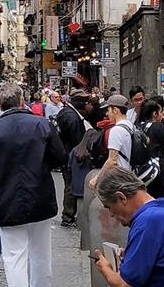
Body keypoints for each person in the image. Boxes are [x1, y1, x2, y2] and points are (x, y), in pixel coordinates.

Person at [0, 83, 68, 287]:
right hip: (40, 194)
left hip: (5, 197)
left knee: (14, 256)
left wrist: (0, 174)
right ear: (22, 101)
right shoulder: (42, 125)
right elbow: (60, 156)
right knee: (41, 253)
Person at [94, 166, 164, 287]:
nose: (110, 214)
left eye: (109, 207)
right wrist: (132, 254)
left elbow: (124, 284)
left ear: (122, 197)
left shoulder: (147, 222)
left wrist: (105, 268)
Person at [56, 88, 93, 227]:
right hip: (70, 155)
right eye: (85, 102)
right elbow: (76, 140)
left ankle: (69, 215)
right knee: (71, 185)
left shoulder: (67, 113)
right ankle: (68, 216)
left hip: (67, 154)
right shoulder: (71, 117)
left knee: (70, 184)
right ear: (79, 103)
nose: (87, 105)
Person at [88, 94, 133, 190]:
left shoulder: (116, 130)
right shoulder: (131, 126)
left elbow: (112, 160)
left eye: (108, 110)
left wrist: (96, 178)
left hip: (119, 179)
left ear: (115, 110)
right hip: (129, 176)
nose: (107, 114)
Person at [137, 99, 164, 199]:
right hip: (159, 170)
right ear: (155, 113)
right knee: (162, 200)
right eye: (161, 112)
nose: (162, 116)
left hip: (143, 170)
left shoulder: (138, 126)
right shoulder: (156, 126)